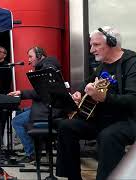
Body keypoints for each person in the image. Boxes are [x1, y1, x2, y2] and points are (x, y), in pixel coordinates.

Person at [56, 26, 136, 180]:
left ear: (112, 43)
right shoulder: (102, 65)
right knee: (66, 126)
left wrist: (104, 97)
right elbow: (87, 82)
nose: (92, 50)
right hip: (101, 119)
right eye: (91, 45)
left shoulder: (131, 63)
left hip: (127, 120)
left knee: (108, 136)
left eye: (96, 45)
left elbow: (133, 99)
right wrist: (79, 92)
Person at [8, 46, 64, 163]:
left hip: (49, 109)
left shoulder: (47, 67)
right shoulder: (46, 66)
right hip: (44, 106)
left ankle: (31, 152)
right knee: (20, 112)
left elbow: (44, 92)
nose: (29, 60)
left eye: (30, 56)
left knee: (16, 121)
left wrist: (21, 93)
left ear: (39, 56)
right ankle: (36, 147)